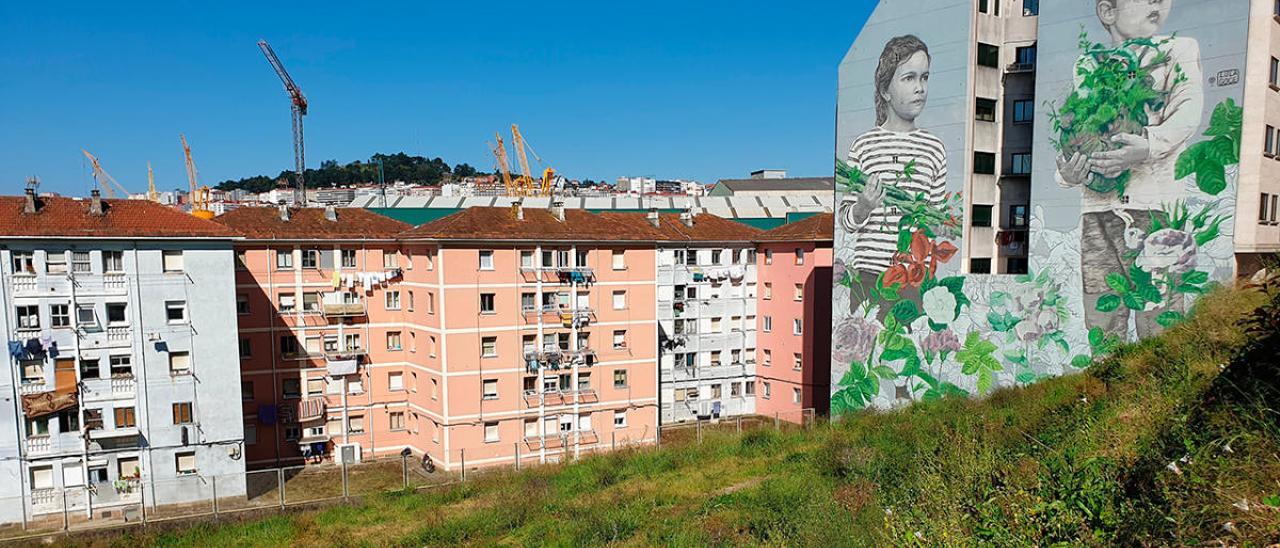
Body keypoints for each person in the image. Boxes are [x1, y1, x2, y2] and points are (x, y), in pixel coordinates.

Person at [1056, 0, 1202, 339]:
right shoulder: (1088, 64)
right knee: (1102, 315)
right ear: (1108, 12)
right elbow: (1079, 129)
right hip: (1097, 210)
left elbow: (1188, 109)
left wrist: (1147, 146)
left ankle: (1158, 390)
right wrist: (1068, 174)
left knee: (1160, 319)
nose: (1158, 4)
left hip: (1153, 208)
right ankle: (1101, 390)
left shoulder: (1177, 50)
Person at [838, 34, 948, 316]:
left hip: (913, 279)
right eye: (909, 78)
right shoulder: (864, 146)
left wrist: (934, 221)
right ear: (886, 90)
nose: (920, 88)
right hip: (869, 278)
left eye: (924, 78)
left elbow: (935, 223)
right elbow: (847, 221)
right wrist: (863, 206)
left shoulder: (934, 148)